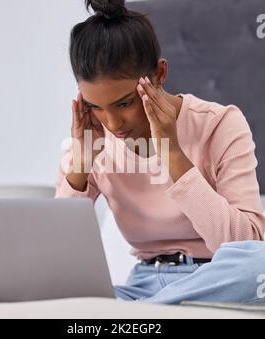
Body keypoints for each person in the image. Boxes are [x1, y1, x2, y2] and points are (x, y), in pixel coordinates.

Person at [55, 0, 265, 305]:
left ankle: (138, 312)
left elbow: (247, 245)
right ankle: (154, 309)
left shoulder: (220, 124)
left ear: (159, 74)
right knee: (49, 290)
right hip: (141, 285)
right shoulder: (91, 139)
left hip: (215, 279)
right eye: (95, 107)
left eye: (124, 103)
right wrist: (81, 163)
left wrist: (174, 154)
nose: (112, 123)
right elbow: (57, 252)